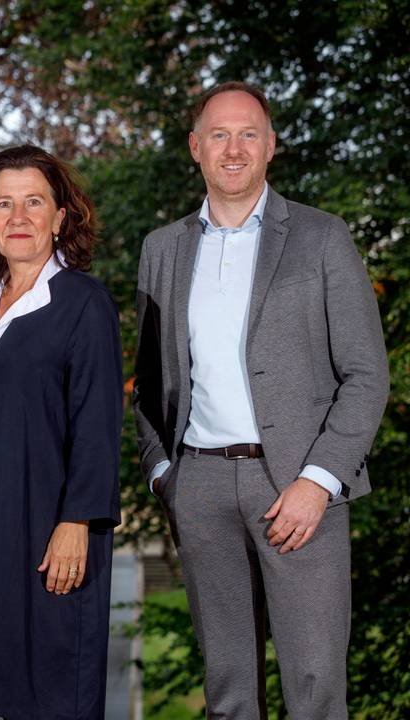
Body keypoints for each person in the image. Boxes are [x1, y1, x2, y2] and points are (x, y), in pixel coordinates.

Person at [133, 82, 389, 719]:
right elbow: (150, 379)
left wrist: (319, 482)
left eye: (249, 133)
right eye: (218, 134)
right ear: (196, 148)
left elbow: (366, 375)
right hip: (202, 488)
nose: (234, 148)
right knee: (228, 692)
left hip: (299, 492)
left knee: (313, 687)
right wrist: (167, 474)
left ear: (271, 146)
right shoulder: (162, 250)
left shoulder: (321, 238)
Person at [0, 145, 123, 718]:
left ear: (60, 216)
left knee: (57, 685)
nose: (18, 216)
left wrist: (77, 521)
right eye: (3, 204)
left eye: (34, 202)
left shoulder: (84, 304)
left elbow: (98, 424)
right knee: (5, 689)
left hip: (53, 526)